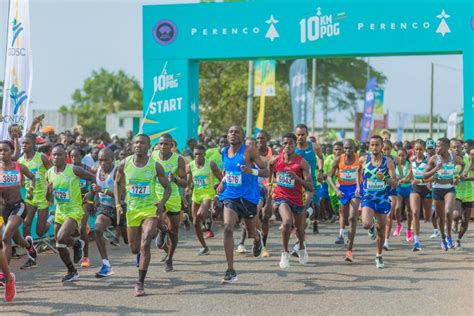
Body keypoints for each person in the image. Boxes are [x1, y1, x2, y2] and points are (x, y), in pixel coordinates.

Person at [115, 134, 171, 296]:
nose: (138, 145)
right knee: (134, 249)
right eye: (136, 142)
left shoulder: (155, 166)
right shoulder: (124, 164)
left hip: (149, 210)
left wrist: (161, 203)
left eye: (142, 143)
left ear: (148, 146)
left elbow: (167, 187)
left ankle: (140, 283)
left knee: (145, 242)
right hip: (132, 211)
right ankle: (152, 239)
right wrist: (118, 204)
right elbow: (117, 183)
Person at [218, 125, 268, 284]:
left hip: (249, 197)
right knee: (227, 228)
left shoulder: (249, 151)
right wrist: (222, 182)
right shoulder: (224, 151)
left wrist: (250, 171)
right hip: (230, 195)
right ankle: (230, 270)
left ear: (242, 135)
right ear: (227, 136)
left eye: (237, 132)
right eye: (230, 132)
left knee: (251, 232)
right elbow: (228, 171)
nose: (233, 134)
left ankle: (257, 237)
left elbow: (266, 172)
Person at [46, 144, 95, 282]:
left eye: (60, 154)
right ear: (51, 156)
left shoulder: (74, 169)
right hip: (60, 211)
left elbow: (93, 178)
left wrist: (91, 195)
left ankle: (77, 245)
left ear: (65, 157)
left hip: (74, 210)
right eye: (54, 154)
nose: (56, 157)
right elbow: (49, 200)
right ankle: (72, 270)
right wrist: (48, 192)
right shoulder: (49, 173)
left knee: (61, 238)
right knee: (58, 242)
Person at [266, 133, 312, 269]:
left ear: (295, 145)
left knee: (300, 229)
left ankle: (302, 248)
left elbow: (310, 186)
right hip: (281, 197)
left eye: (290, 143)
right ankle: (284, 252)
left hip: (298, 199)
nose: (287, 146)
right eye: (285, 143)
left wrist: (297, 179)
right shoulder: (275, 160)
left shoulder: (301, 162)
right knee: (286, 222)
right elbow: (270, 168)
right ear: (282, 145)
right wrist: (270, 184)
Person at [357, 135, 397, 269]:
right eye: (372, 145)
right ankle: (371, 226)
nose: (374, 147)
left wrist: (384, 178)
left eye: (377, 145)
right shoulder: (363, 159)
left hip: (382, 199)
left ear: (381, 147)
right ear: (369, 146)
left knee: (381, 230)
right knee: (366, 224)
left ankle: (379, 256)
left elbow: (395, 184)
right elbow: (358, 172)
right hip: (368, 197)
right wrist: (358, 186)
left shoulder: (388, 162)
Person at [151, 134, 187, 273]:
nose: (163, 146)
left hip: (172, 197)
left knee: (174, 231)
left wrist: (176, 179)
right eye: (161, 144)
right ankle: (161, 230)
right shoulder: (152, 156)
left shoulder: (178, 159)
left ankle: (170, 259)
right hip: (157, 195)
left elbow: (185, 183)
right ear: (158, 145)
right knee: (155, 220)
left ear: (172, 145)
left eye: (166, 144)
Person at [0, 140, 38, 268]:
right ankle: (29, 247)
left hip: (18, 206)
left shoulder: (19, 167)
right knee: (18, 239)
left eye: (5, 150)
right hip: (4, 208)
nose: (2, 153)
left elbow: (32, 177)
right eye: (0, 151)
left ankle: (3, 275)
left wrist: (31, 189)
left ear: (12, 152)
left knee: (5, 238)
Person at [18, 133, 53, 269]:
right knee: (26, 225)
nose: (24, 145)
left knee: (39, 231)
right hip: (30, 197)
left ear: (33, 144)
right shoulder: (21, 161)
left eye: (26, 143)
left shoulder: (42, 158)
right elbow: (21, 180)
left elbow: (52, 173)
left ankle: (51, 219)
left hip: (43, 197)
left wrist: (50, 188)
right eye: (23, 143)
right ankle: (31, 256)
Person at [424, 138, 464, 250]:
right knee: (440, 217)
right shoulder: (433, 159)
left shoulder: (453, 158)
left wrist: (457, 176)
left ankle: (449, 238)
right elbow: (424, 175)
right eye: (436, 146)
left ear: (447, 147)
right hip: (437, 190)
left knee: (448, 212)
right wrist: (435, 170)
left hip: (449, 189)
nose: (437, 148)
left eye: (439, 146)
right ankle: (442, 239)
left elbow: (463, 164)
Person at [92, 148, 126, 278]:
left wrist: (103, 190)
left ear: (112, 159)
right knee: (97, 229)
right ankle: (106, 265)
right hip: (105, 208)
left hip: (120, 208)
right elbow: (92, 181)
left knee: (129, 242)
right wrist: (93, 197)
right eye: (100, 160)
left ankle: (139, 254)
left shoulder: (117, 171)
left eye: (106, 160)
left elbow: (121, 196)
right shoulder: (97, 169)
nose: (102, 163)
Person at [327, 139, 360, 262]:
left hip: (355, 189)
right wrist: (336, 190)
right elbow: (329, 176)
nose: (347, 150)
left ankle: (349, 251)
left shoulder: (359, 159)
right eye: (345, 148)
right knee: (344, 216)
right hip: (343, 190)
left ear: (354, 148)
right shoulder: (338, 159)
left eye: (350, 148)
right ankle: (342, 233)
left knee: (352, 218)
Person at [186, 145, 222, 255]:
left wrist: (218, 191)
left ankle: (208, 216)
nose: (197, 156)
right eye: (195, 154)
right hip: (196, 195)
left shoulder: (210, 164)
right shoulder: (190, 165)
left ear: (204, 154)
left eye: (200, 154)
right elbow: (188, 180)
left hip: (208, 193)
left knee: (201, 214)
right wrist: (187, 188)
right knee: (196, 222)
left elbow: (222, 178)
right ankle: (204, 246)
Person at [294, 124, 324, 234]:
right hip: (297, 183)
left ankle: (315, 221)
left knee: (316, 205)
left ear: (307, 134)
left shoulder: (314, 147)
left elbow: (321, 157)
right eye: (298, 135)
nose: (300, 137)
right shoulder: (293, 149)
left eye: (302, 134)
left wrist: (321, 171)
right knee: (303, 206)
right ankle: (300, 227)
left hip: (312, 181)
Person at [408, 139, 433, 251]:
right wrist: (403, 179)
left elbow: (434, 176)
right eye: (416, 149)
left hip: (427, 190)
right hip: (415, 190)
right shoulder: (412, 160)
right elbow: (410, 174)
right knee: (415, 212)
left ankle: (433, 210)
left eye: (420, 149)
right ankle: (416, 241)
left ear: (424, 150)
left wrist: (421, 181)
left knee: (427, 218)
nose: (418, 151)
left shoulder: (429, 161)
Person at [454, 148, 473, 248]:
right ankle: (454, 222)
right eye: (454, 147)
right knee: (456, 215)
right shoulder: (449, 161)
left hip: (469, 193)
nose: (457, 149)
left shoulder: (469, 160)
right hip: (456, 192)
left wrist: (465, 178)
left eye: (458, 146)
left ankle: (458, 239)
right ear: (451, 148)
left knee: (465, 220)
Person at [395, 148, 413, 243]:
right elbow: (392, 176)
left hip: (408, 189)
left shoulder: (409, 164)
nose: (401, 157)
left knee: (409, 211)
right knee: (397, 208)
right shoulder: (395, 165)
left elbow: (410, 176)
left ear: (406, 156)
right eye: (399, 155)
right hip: (399, 189)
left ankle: (409, 230)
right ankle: (399, 225)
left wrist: (404, 179)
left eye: (403, 155)